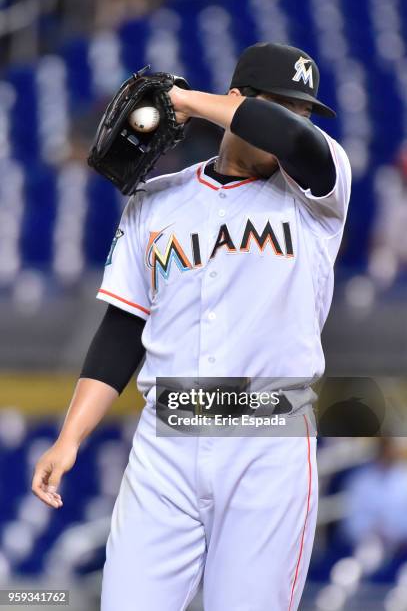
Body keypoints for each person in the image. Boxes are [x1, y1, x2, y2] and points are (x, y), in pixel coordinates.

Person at [32, 43, 351, 611]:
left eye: (302, 111)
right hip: (164, 444)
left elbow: (296, 140)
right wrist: (70, 438)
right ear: (236, 100)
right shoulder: (157, 202)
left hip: (267, 443)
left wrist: (182, 100)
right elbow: (122, 330)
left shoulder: (318, 195)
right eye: (281, 106)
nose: (294, 122)